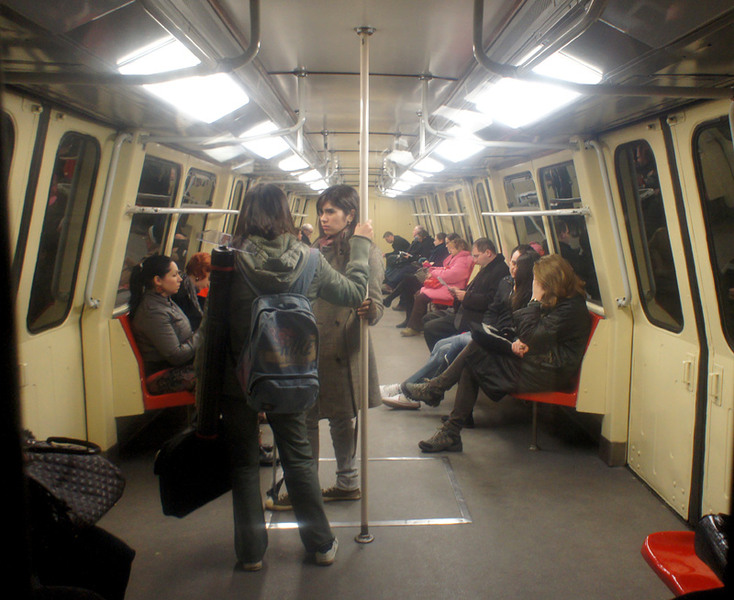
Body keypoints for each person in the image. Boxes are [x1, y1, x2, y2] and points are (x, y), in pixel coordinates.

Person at [198, 183, 373, 570]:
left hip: (237, 378)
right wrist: (361, 245)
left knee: (245, 464)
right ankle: (320, 543)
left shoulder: (228, 261)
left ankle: (250, 554)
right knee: (298, 460)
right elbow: (354, 291)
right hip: (290, 374)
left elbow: (212, 332)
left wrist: (204, 403)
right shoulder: (310, 260)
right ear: (286, 215)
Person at [405, 254, 591, 453]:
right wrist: (517, 340)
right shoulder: (561, 300)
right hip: (539, 361)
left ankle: (438, 398)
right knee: (476, 350)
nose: (534, 283)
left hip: (550, 371)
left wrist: (534, 301)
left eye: (537, 280)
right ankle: (448, 423)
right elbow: (535, 335)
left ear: (549, 282)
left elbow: (532, 335)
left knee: (474, 357)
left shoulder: (570, 308)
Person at [268, 185, 383, 507]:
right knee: (306, 415)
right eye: (321, 212)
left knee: (341, 417)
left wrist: (370, 309)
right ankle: (305, 487)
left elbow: (376, 301)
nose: (323, 218)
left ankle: (347, 481)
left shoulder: (368, 252)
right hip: (307, 341)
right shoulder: (314, 249)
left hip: (341, 344)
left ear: (350, 215)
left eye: (331, 211)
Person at [381, 245, 539, 410]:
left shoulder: (528, 292)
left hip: (504, 338)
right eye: (512, 262)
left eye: (517, 264)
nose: (512, 267)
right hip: (491, 330)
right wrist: (487, 327)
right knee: (441, 345)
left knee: (448, 346)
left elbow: (516, 322)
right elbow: (493, 310)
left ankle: (410, 390)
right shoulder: (506, 283)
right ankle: (418, 388)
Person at [422, 238, 509, 350]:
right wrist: (459, 291)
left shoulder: (500, 271)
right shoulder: (487, 267)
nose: (474, 260)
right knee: (427, 318)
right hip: (466, 309)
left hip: (475, 316)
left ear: (488, 253)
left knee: (430, 328)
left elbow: (490, 300)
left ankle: (444, 354)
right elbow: (473, 289)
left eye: (476, 256)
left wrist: (465, 296)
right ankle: (443, 352)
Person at [129, 255, 199, 394]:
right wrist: (202, 334)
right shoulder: (152, 312)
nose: (180, 279)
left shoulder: (165, 301)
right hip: (162, 374)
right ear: (158, 280)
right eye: (174, 275)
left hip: (176, 365)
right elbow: (176, 355)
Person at [400, 238, 473, 336]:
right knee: (419, 294)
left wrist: (434, 273)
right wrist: (433, 269)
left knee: (421, 296)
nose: (450, 250)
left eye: (452, 248)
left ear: (459, 248)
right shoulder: (459, 258)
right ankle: (417, 324)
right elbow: (448, 270)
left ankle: (414, 327)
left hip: (453, 288)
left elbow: (453, 275)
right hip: (448, 285)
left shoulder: (462, 260)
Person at [171, 251, 211, 331]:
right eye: (209, 278)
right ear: (198, 273)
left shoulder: (190, 291)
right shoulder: (182, 293)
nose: (210, 283)